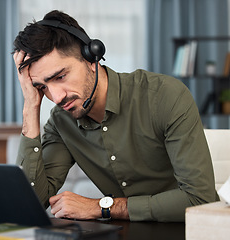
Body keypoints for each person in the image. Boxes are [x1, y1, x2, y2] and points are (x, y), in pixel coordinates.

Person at [12, 10, 219, 222]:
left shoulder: (164, 96)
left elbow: (199, 199)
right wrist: (30, 106)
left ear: (91, 58)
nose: (56, 97)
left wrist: (102, 207)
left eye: (60, 76)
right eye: (42, 87)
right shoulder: (61, 121)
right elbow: (32, 202)